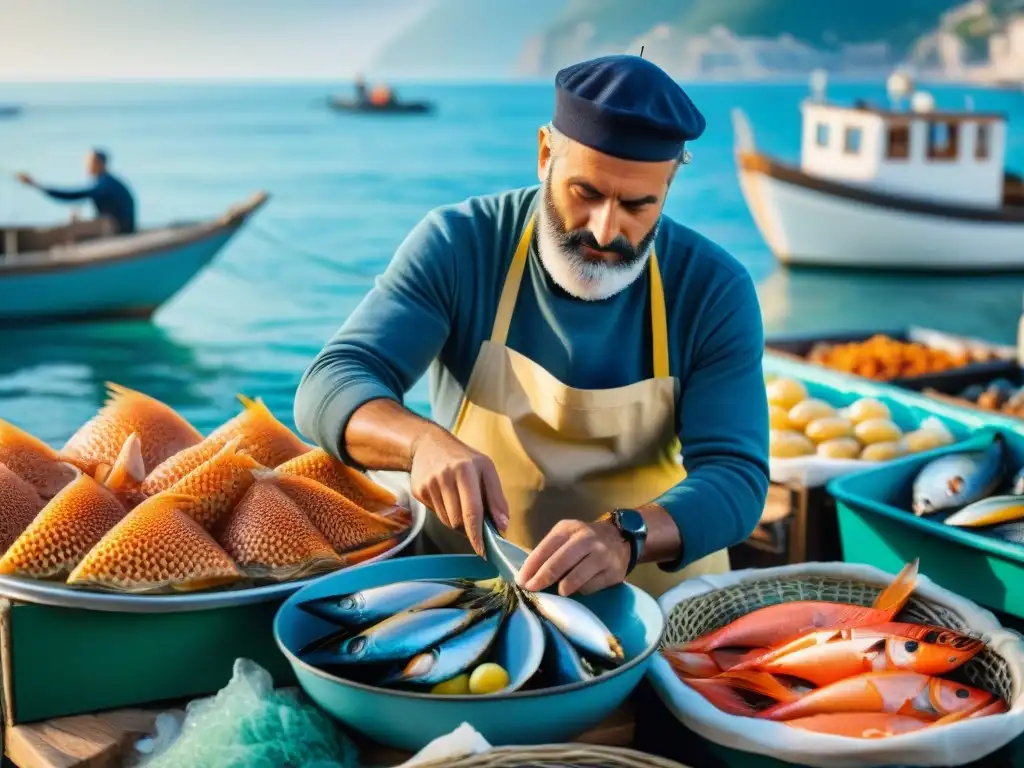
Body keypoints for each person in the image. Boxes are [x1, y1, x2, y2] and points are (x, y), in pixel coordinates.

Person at [294, 54, 769, 599]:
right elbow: (331, 382)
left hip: (653, 610)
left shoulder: (713, 288)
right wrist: (420, 443)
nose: (605, 229)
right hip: (463, 595)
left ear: (668, 186)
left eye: (638, 205)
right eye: (585, 193)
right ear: (545, 154)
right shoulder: (460, 244)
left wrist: (626, 535)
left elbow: (737, 476)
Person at [16, 149, 136, 235]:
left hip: (120, 232)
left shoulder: (105, 185)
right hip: (118, 226)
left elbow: (72, 195)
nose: (86, 165)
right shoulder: (108, 181)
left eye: (89, 162)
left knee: (72, 226)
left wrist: (36, 185)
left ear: (99, 163)